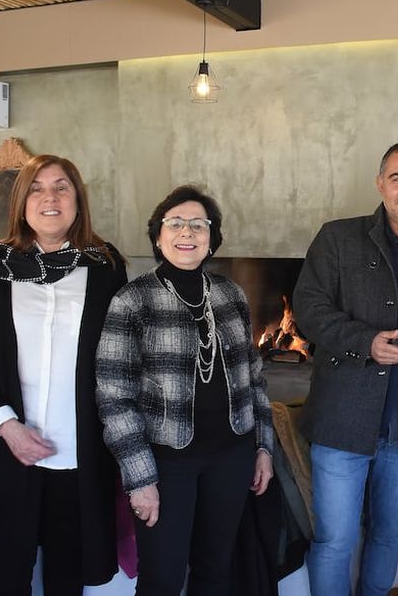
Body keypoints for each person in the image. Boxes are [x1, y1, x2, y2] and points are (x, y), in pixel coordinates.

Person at [0, 155, 127, 596]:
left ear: (78, 201)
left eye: (62, 186)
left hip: (80, 457)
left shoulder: (104, 267)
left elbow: (121, 352)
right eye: (37, 187)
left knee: (68, 577)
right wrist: (5, 425)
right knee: (7, 577)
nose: (50, 197)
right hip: (8, 451)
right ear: (21, 202)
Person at [293, 140, 398, 596]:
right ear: (380, 184)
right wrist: (365, 342)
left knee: (389, 533)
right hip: (341, 420)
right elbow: (309, 309)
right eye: (397, 177)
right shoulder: (337, 237)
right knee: (335, 539)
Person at [96, 184, 274, 596]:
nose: (187, 232)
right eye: (174, 223)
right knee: (162, 578)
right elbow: (113, 396)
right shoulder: (132, 300)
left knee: (216, 572)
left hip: (231, 458)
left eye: (198, 224)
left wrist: (263, 446)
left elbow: (254, 377)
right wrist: (139, 478)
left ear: (212, 237)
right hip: (166, 465)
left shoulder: (231, 294)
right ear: (158, 235)